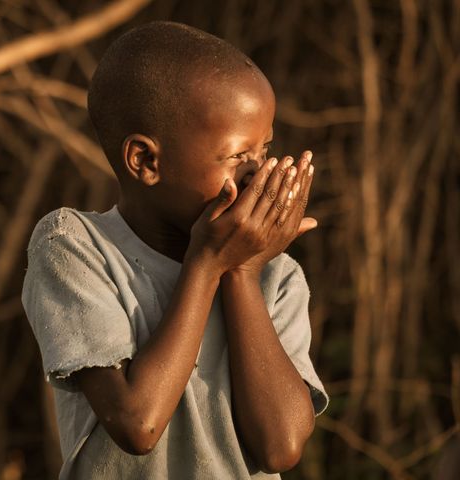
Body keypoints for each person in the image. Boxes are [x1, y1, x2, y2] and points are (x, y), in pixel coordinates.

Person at [21, 20, 329, 479]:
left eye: (263, 150)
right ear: (145, 162)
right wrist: (206, 264)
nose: (258, 174)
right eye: (236, 156)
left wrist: (242, 271)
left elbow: (280, 447)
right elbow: (137, 424)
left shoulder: (275, 276)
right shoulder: (74, 246)